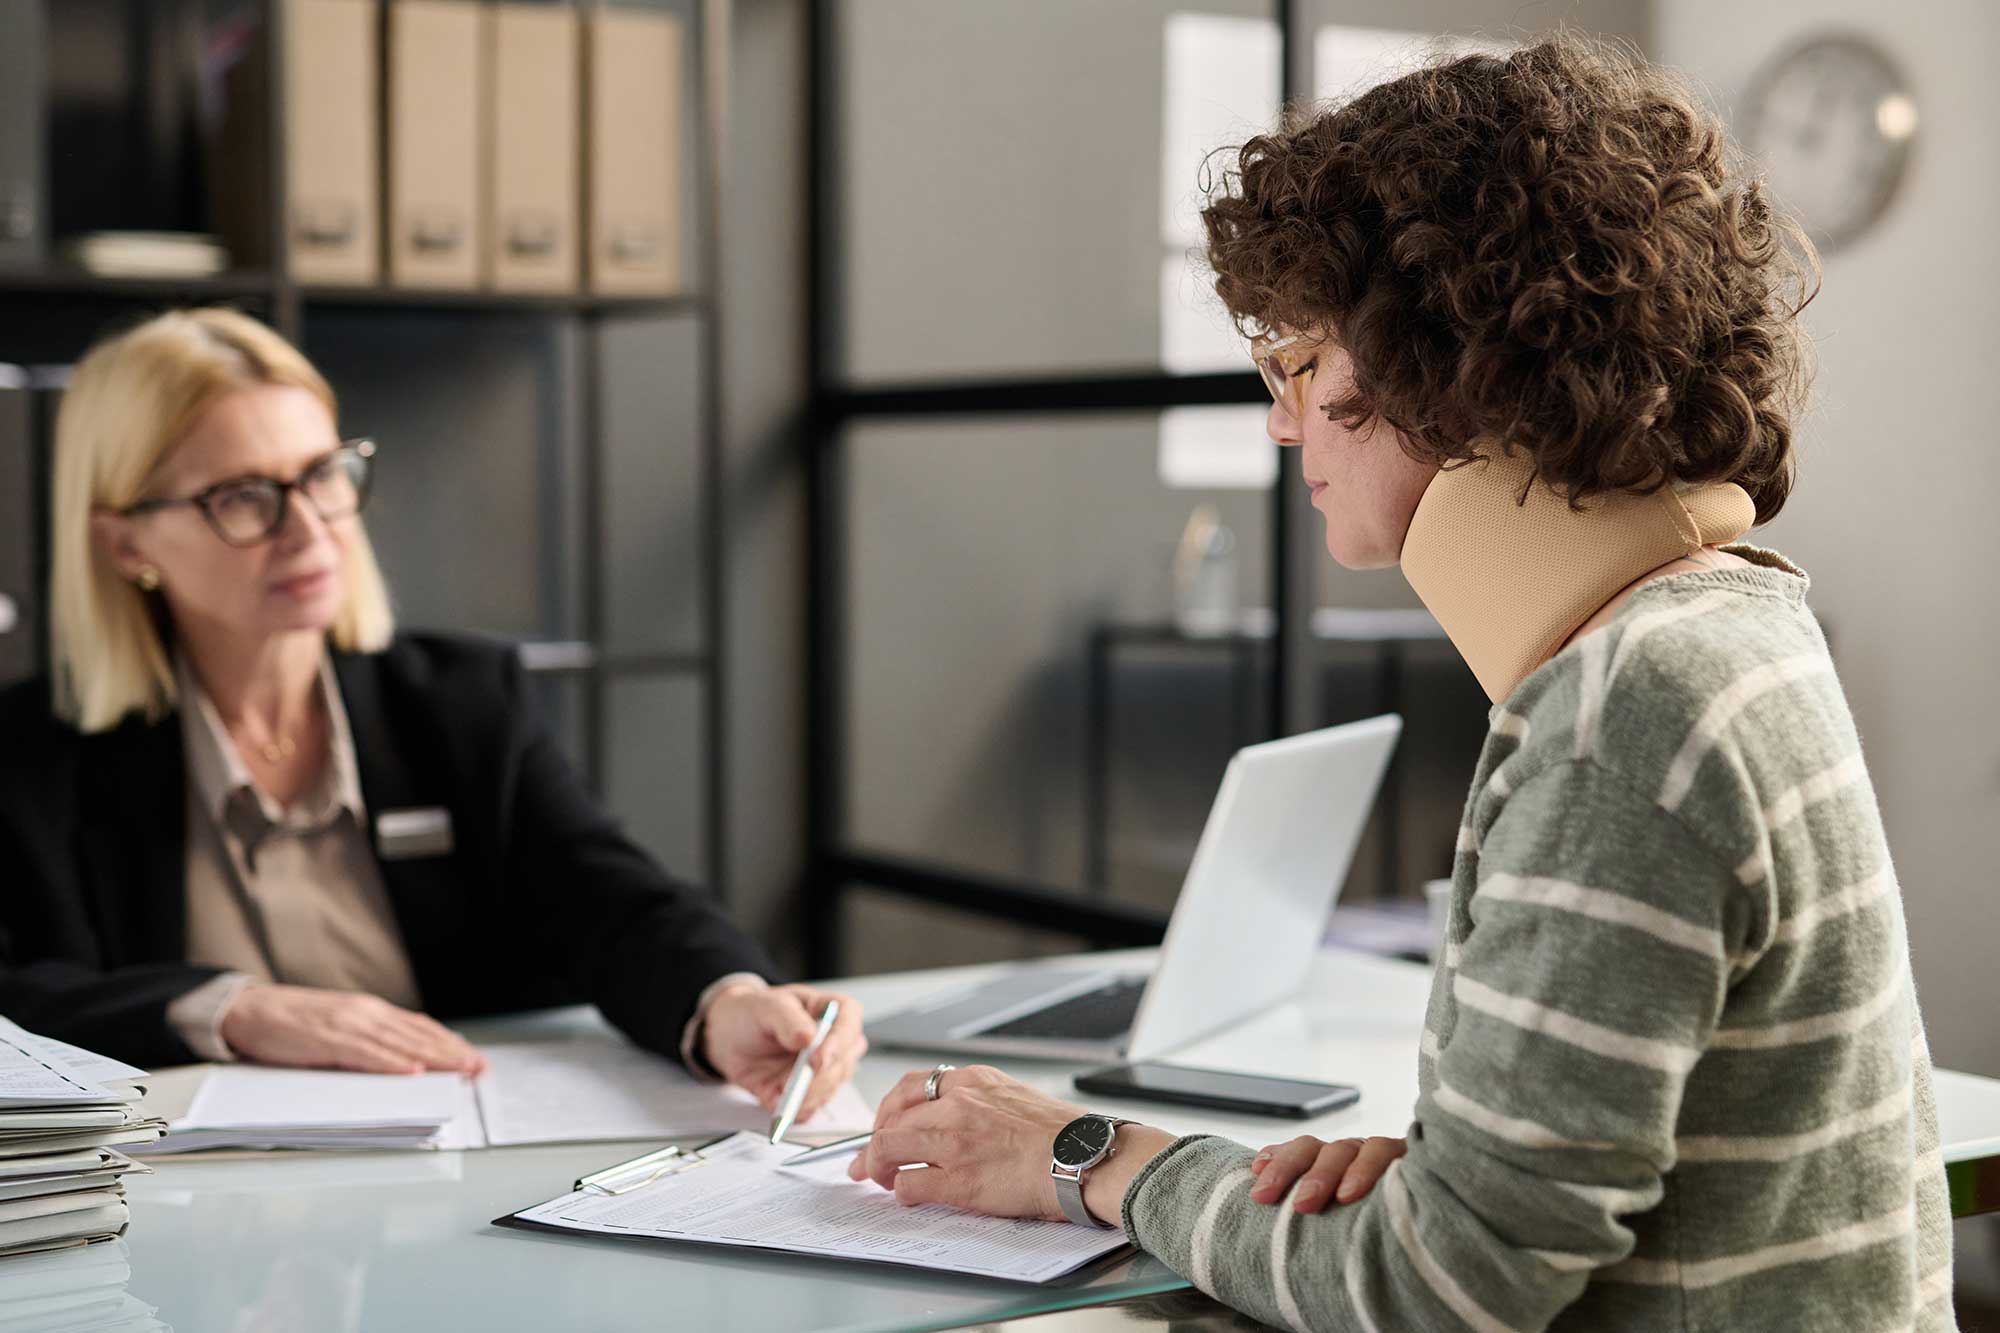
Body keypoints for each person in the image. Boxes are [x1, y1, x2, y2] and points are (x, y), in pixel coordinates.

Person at [851, 32, 1952, 1332]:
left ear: (1456, 367)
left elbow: (1436, 1294)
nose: (1282, 420)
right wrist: (1457, 1187)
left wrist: (1091, 1160)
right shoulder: (1741, 620)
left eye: (1306, 365)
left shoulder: (1622, 712)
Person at [0, 307, 864, 1121]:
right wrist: (228, 1010)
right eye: (242, 497)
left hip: (450, 1193)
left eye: (322, 476)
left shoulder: (458, 701)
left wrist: (728, 1001)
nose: (309, 529)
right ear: (125, 543)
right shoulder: (32, 758)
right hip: (175, 1213)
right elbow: (17, 997)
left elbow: (611, 901)